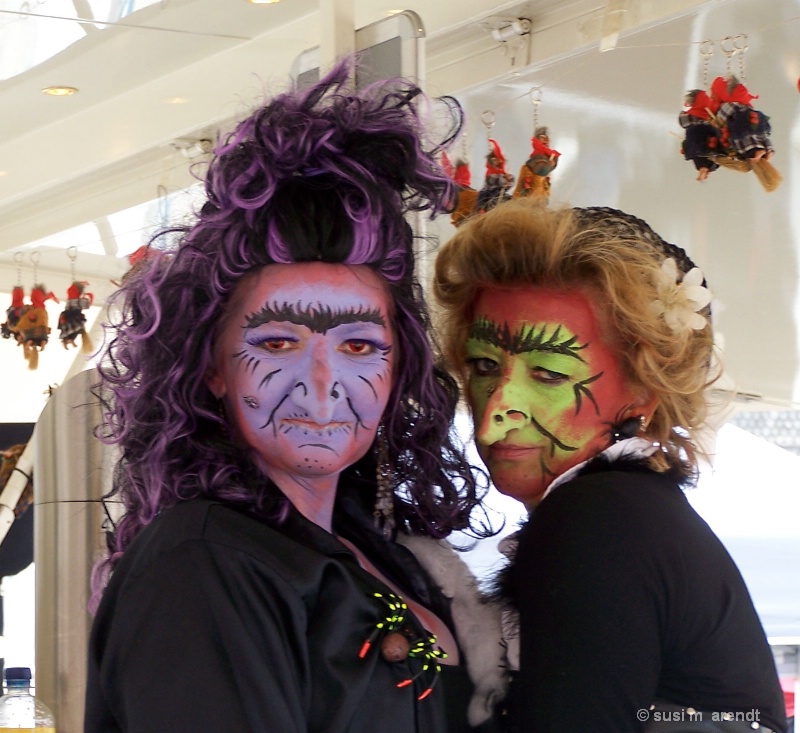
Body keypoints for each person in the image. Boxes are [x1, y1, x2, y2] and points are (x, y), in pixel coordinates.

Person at [84, 62, 506, 733]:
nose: (322, 385)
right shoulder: (202, 563)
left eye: (360, 346)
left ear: (400, 367)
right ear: (214, 366)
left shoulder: (379, 551)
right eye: (279, 344)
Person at [433, 199, 787, 733]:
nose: (497, 408)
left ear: (645, 387)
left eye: (550, 374)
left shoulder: (600, 519)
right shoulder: (635, 511)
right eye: (484, 365)